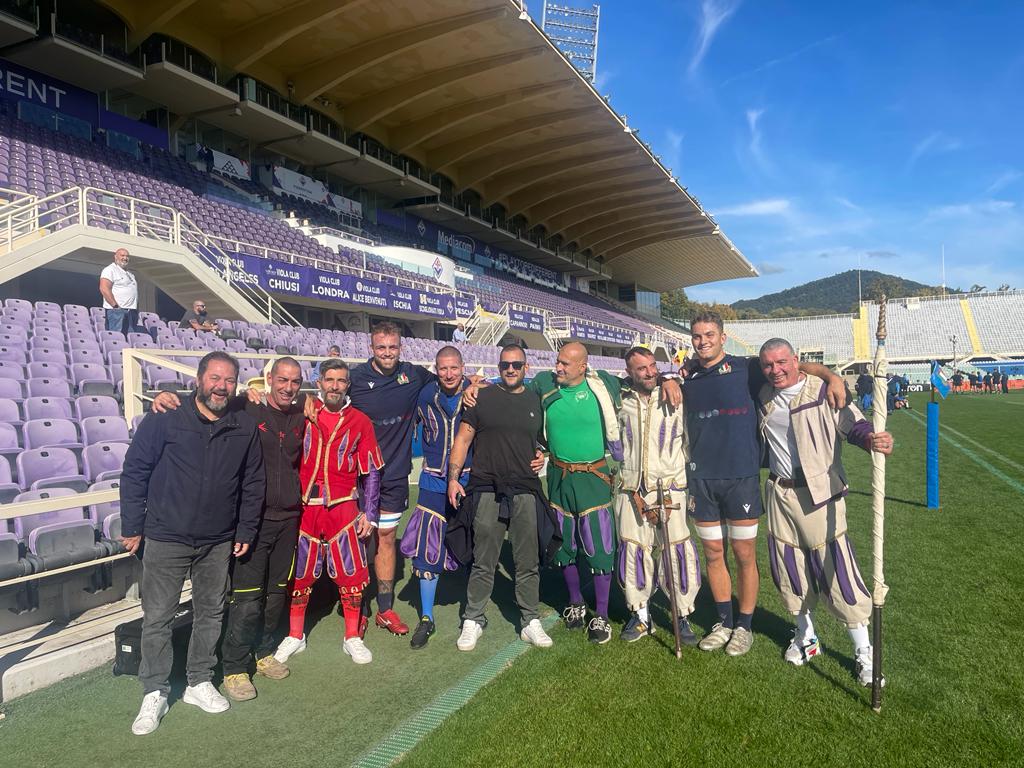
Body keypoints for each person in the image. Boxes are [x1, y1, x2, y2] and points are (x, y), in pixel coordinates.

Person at [682, 311, 846, 657]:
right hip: (701, 479)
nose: (703, 341)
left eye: (709, 334)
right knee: (713, 553)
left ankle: (743, 627)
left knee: (743, 554)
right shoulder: (689, 376)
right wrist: (671, 377)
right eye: (697, 336)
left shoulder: (748, 368)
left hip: (741, 478)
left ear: (723, 337)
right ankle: (724, 621)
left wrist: (831, 376)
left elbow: (796, 369)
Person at [119, 351, 265, 736]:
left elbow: (252, 484)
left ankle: (199, 681)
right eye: (215, 378)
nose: (221, 386)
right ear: (199, 379)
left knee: (211, 613)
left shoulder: (244, 426)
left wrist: (246, 530)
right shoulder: (165, 417)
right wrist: (133, 525)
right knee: (159, 618)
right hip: (166, 536)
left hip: (218, 540)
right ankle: (155, 689)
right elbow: (134, 472)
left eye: (229, 380)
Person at [150, 357, 306, 701]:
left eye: (295, 382)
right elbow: (207, 398)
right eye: (282, 380)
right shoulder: (242, 406)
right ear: (267, 379)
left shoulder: (301, 414)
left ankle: (263, 652)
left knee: (276, 593)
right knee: (246, 600)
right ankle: (234, 666)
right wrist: (164, 396)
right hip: (253, 521)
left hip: (289, 519)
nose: (288, 387)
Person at [757, 338, 892, 686]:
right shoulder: (764, 396)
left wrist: (871, 440)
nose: (776, 370)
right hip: (779, 492)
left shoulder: (821, 390)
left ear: (796, 360)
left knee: (837, 569)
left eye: (783, 362)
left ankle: (864, 652)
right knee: (789, 569)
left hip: (819, 493)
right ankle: (806, 637)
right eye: (768, 365)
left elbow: (853, 423)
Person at [447, 344, 556, 651]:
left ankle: (529, 619)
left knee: (527, 560)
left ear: (526, 367)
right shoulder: (481, 396)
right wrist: (453, 479)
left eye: (517, 364)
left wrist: (541, 453)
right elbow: (463, 438)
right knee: (484, 560)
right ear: (498, 366)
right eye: (506, 364)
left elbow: (540, 441)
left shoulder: (536, 400)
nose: (511, 369)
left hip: (525, 489)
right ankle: (474, 618)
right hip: (486, 488)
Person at [280, 358, 383, 664]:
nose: (335, 386)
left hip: (344, 509)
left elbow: (372, 473)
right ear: (320, 382)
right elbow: (265, 396)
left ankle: (352, 636)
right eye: (329, 380)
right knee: (300, 576)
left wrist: (371, 512)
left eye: (341, 381)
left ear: (347, 385)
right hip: (305, 509)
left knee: (351, 575)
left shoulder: (361, 421)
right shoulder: (303, 413)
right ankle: (295, 636)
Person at [345, 322, 437, 636]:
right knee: (360, 539)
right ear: (372, 348)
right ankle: (357, 608)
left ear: (401, 347)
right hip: (359, 476)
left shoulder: (413, 374)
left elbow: (448, 383)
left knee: (386, 538)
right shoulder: (355, 378)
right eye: (382, 348)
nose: (387, 353)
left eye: (393, 347)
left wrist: (474, 383)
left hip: (395, 474)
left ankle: (384, 609)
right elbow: (325, 394)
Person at [528, 342, 622, 644]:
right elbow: (515, 397)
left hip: (593, 477)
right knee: (563, 543)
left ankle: (603, 615)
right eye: (558, 361)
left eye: (566, 364)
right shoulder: (543, 385)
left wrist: (671, 380)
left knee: (599, 545)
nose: (558, 367)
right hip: (558, 476)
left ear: (583, 366)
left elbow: (641, 380)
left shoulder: (603, 386)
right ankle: (576, 601)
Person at [616, 347, 701, 644]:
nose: (650, 372)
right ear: (629, 372)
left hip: (670, 486)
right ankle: (640, 616)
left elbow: (689, 440)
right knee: (634, 551)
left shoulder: (674, 395)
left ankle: (682, 615)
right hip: (632, 488)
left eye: (653, 366)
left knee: (676, 552)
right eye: (641, 368)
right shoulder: (620, 399)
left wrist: (669, 379)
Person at [399, 346, 471, 649]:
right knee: (427, 549)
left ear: (463, 367)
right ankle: (427, 617)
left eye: (454, 368)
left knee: (473, 542)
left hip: (470, 478)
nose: (449, 374)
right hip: (431, 479)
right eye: (443, 368)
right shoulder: (424, 394)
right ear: (436, 368)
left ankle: (472, 613)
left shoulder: (478, 392)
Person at [99, 248, 140, 335]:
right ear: (115, 257)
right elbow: (104, 288)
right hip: (117, 311)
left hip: (131, 312)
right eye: (122, 255)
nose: (125, 258)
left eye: (127, 256)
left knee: (129, 339)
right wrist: (115, 307)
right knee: (116, 338)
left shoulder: (130, 274)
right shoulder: (110, 270)